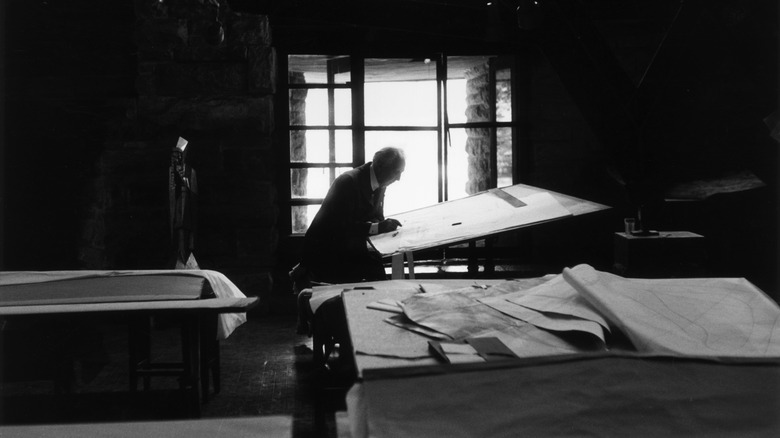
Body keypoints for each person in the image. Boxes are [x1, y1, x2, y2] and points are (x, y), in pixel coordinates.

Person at [292, 146, 406, 375]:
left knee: (379, 277)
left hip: (348, 248)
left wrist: (385, 228)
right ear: (382, 168)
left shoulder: (380, 182)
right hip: (326, 252)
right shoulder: (348, 183)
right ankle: (350, 342)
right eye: (397, 172)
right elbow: (339, 227)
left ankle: (372, 335)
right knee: (365, 285)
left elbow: (375, 216)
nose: (399, 179)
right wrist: (377, 228)